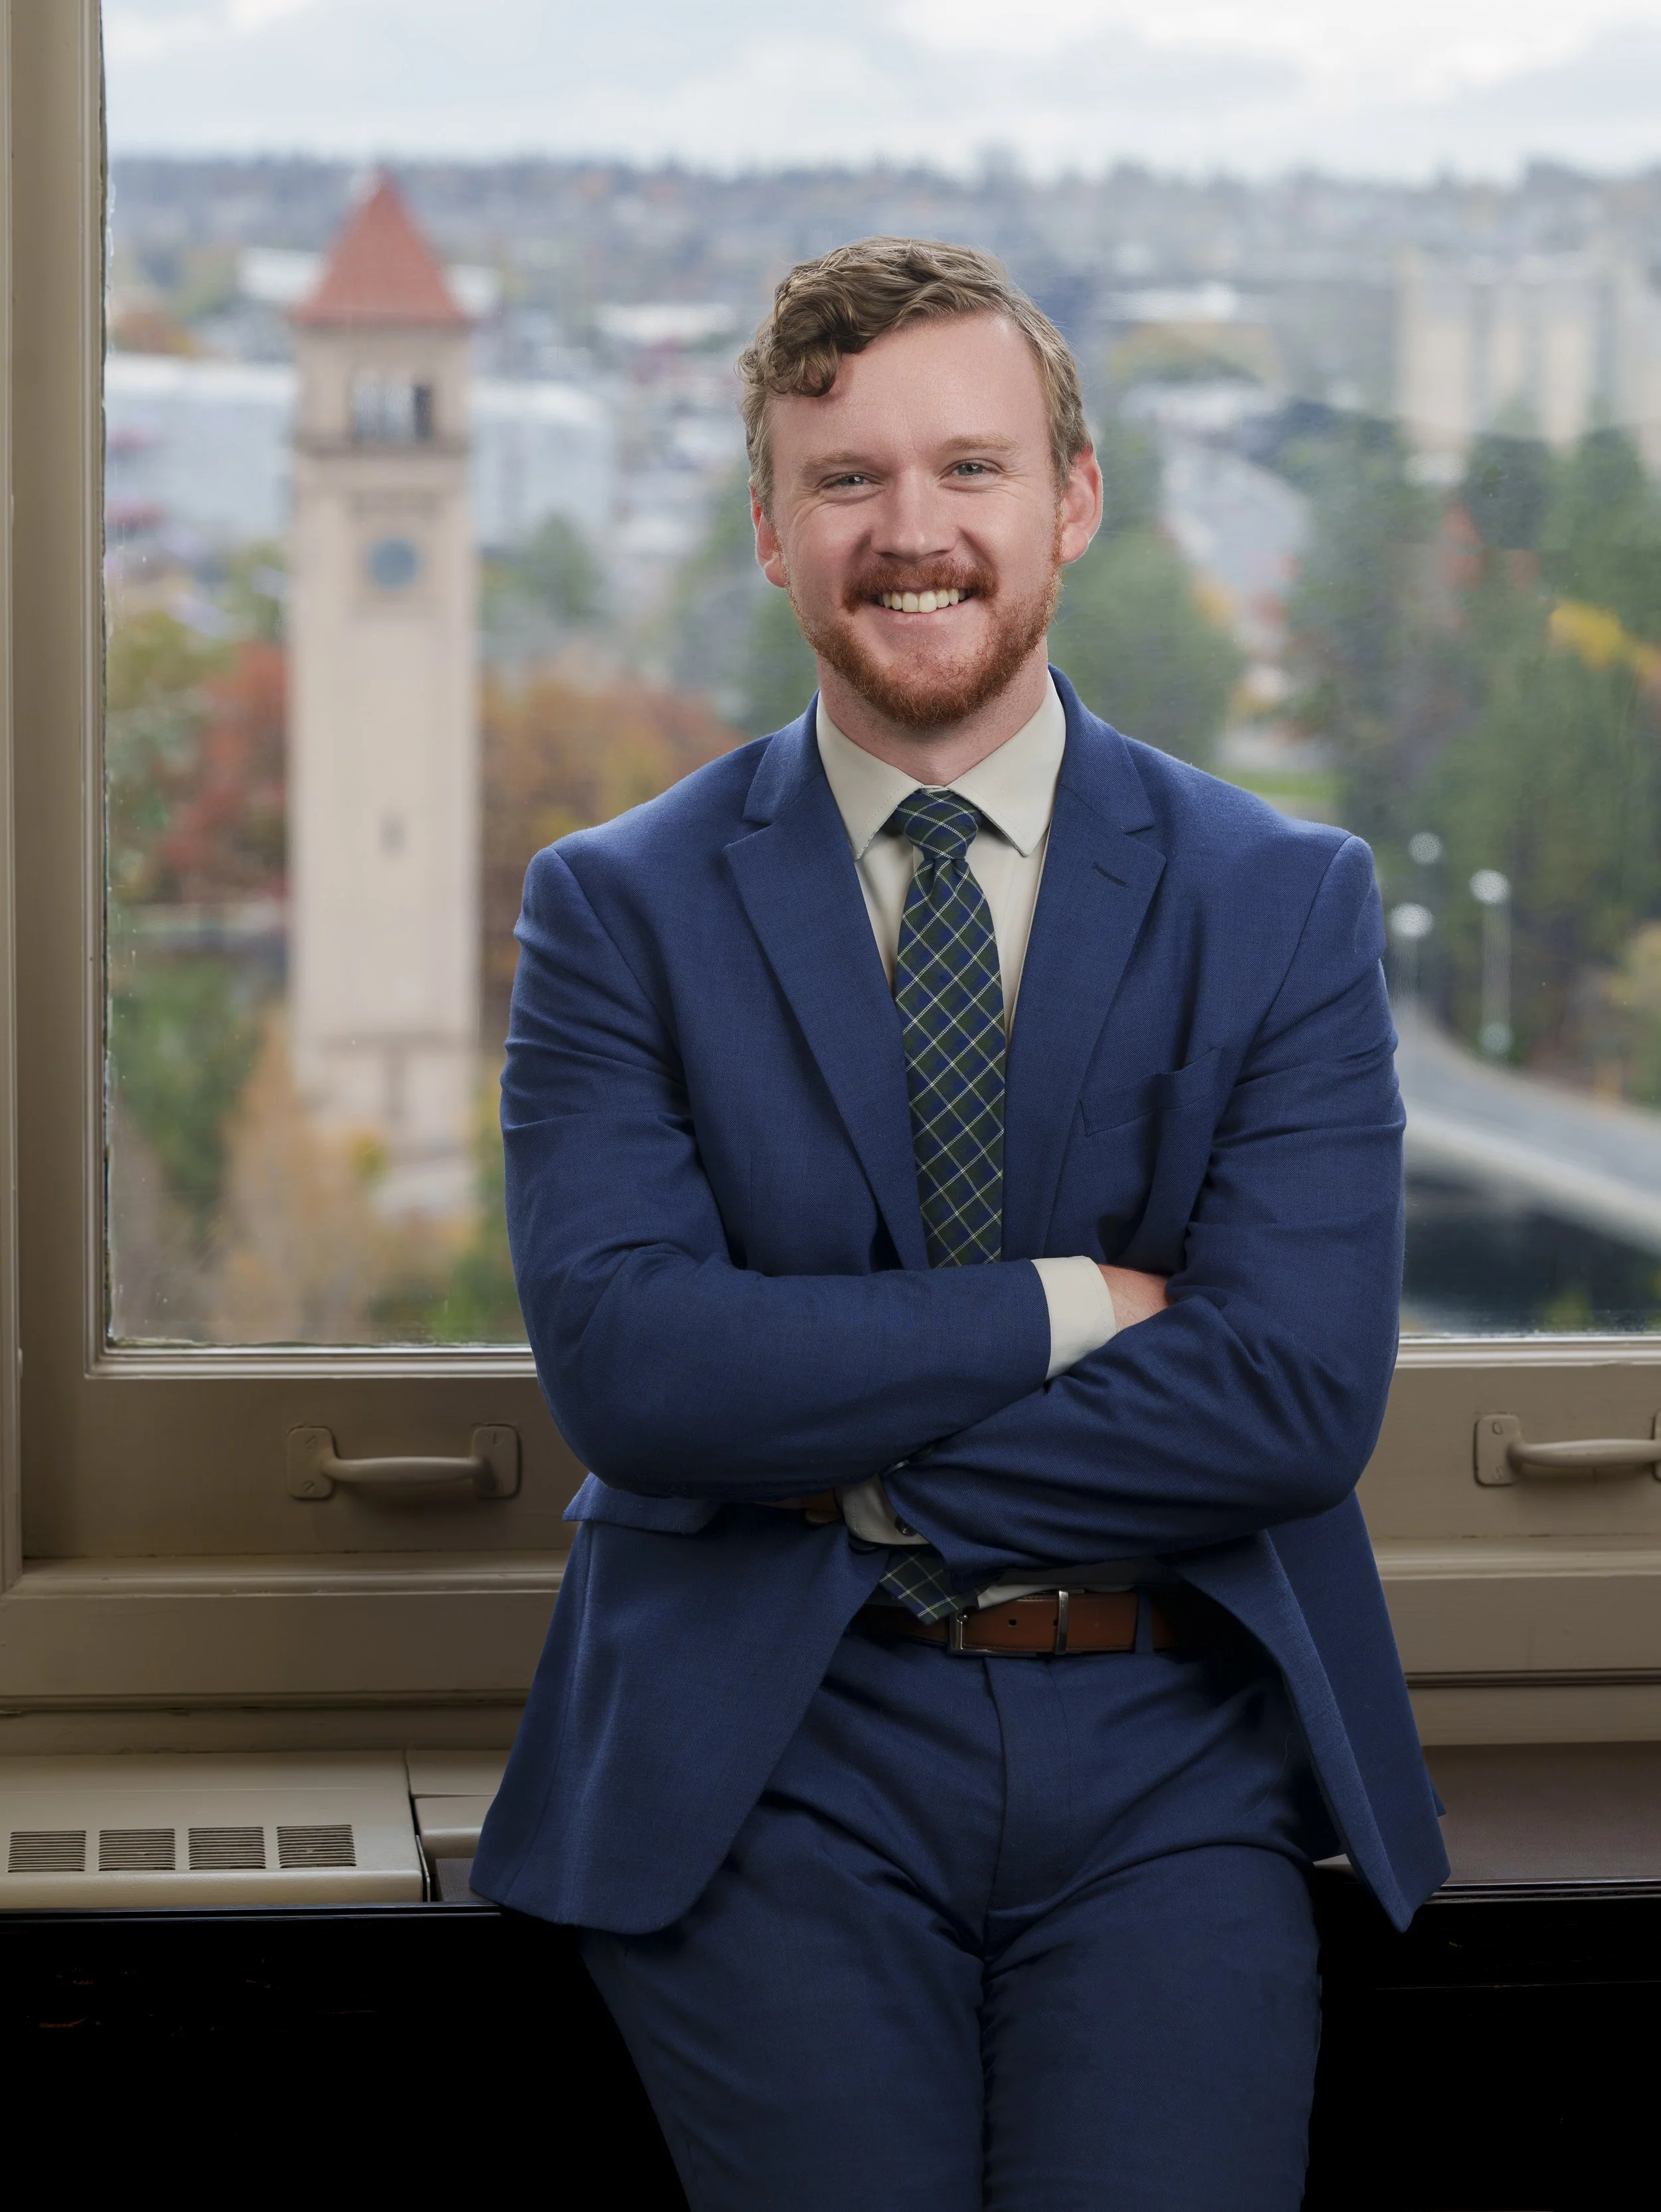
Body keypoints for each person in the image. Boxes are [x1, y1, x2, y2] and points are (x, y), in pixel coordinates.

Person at [474, 236, 1446, 2211]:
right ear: (769, 529)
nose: (911, 536)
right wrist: (1075, 1304)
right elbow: (642, 1378)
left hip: (1172, 1757)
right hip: (768, 1754)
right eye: (846, 483)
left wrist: (859, 1481)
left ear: (1071, 501)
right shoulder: (616, 914)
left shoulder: (1282, 901)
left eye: (969, 471)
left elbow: (1286, 1397)